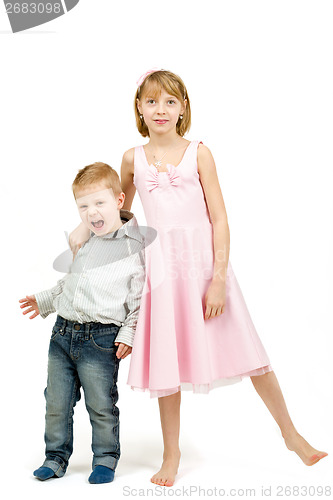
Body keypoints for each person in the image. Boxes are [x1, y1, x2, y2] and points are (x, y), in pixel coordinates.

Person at [68, 70, 328, 487]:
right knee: (168, 363)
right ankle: (172, 454)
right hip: (162, 272)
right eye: (152, 102)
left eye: (170, 102)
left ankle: (291, 434)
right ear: (139, 107)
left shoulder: (199, 153)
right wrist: (84, 226)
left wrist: (219, 278)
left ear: (183, 107)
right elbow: (119, 210)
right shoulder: (132, 158)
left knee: (251, 353)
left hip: (203, 267)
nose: (161, 110)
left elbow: (220, 217)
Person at [19, 162, 145, 484]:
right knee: (56, 402)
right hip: (63, 333)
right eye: (83, 206)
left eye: (99, 203)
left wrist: (128, 334)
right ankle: (55, 457)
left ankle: (105, 458)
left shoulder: (133, 248)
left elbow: (138, 300)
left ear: (119, 201)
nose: (91, 212)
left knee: (101, 404)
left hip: (101, 339)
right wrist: (45, 300)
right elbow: (70, 283)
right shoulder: (84, 240)